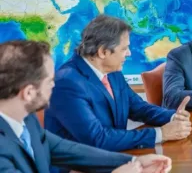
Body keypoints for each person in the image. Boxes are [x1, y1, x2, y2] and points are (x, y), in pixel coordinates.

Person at [0, 40, 172, 173]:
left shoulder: (24, 117)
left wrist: (133, 162)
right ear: (28, 93)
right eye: (49, 81)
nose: (54, 84)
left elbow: (60, 148)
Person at [45, 15, 192, 152]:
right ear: (103, 52)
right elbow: (97, 139)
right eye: (124, 48)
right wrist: (161, 134)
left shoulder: (113, 72)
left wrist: (173, 117)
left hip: (114, 157)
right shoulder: (67, 83)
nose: (129, 53)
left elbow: (138, 108)